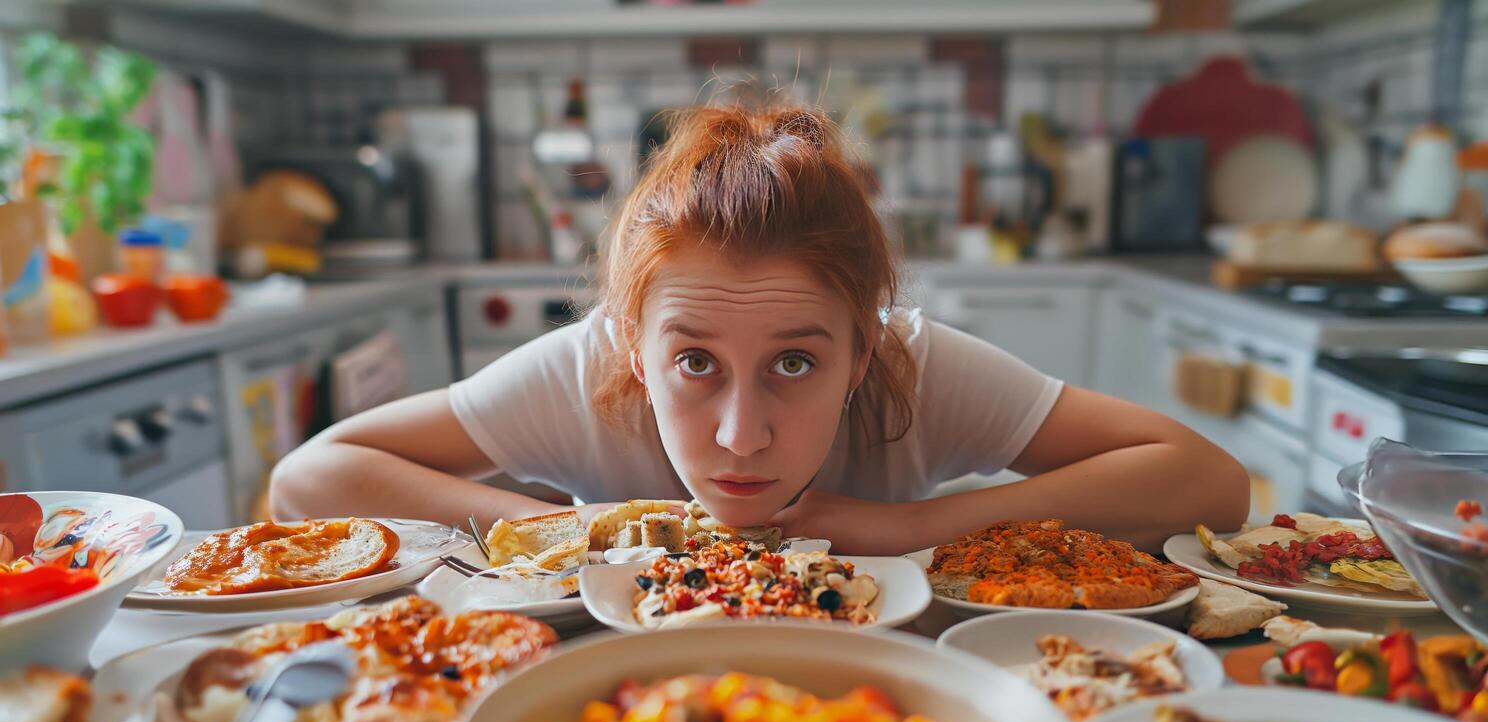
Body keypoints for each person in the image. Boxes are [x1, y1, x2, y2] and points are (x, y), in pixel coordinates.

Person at [271, 103, 1247, 555]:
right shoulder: (585, 371)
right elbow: (306, 479)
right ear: (634, 348)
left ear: (865, 349)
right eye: (694, 360)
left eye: (794, 361)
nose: (741, 434)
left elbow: (1209, 481)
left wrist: (914, 529)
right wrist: (566, 529)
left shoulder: (917, 367)